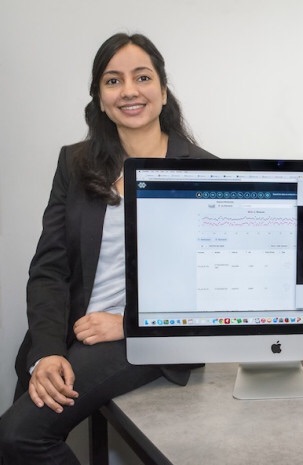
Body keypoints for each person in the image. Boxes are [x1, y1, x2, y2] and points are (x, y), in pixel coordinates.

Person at [0, 33, 215, 465]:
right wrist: (46, 351)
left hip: (142, 339)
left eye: (142, 77)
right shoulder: (75, 163)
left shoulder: (204, 170)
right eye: (113, 81)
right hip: (67, 332)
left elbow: (211, 285)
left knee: (18, 437)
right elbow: (49, 270)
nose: (130, 91)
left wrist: (130, 322)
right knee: (15, 443)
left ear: (163, 90)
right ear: (100, 98)